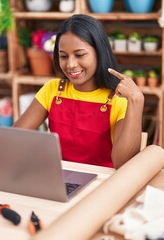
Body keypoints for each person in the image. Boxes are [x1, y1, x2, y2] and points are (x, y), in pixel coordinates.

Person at [14, 14, 144, 169]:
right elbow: (14, 137)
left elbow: (123, 164)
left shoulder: (118, 99)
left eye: (79, 55)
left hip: (102, 185)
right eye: (63, 56)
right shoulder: (53, 89)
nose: (71, 64)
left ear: (99, 52)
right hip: (59, 180)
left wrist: (137, 100)